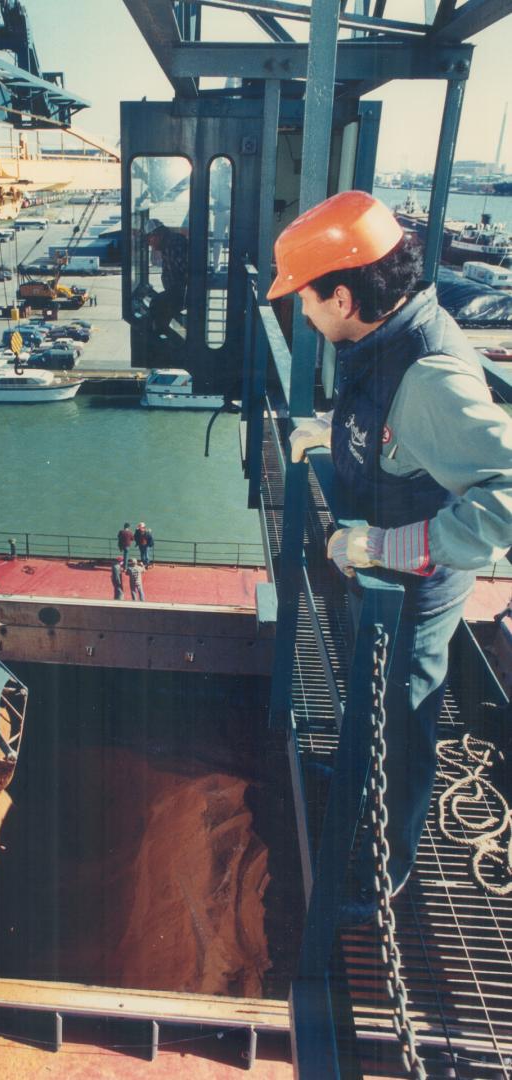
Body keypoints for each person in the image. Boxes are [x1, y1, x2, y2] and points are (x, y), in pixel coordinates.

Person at [267, 190, 512, 925]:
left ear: (343, 297)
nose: (301, 315)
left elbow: (505, 494)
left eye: (305, 301)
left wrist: (386, 546)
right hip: (393, 562)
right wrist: (332, 427)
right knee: (373, 704)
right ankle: (353, 787)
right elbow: (391, 420)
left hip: (421, 581)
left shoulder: (431, 374)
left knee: (401, 719)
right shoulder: (387, 333)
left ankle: (383, 874)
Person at [144, 218, 188, 337]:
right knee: (157, 304)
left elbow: (186, 272)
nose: (150, 243)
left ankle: (161, 340)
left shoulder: (174, 245)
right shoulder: (168, 244)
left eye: (150, 238)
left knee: (156, 305)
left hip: (182, 293)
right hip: (177, 291)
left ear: (158, 235)